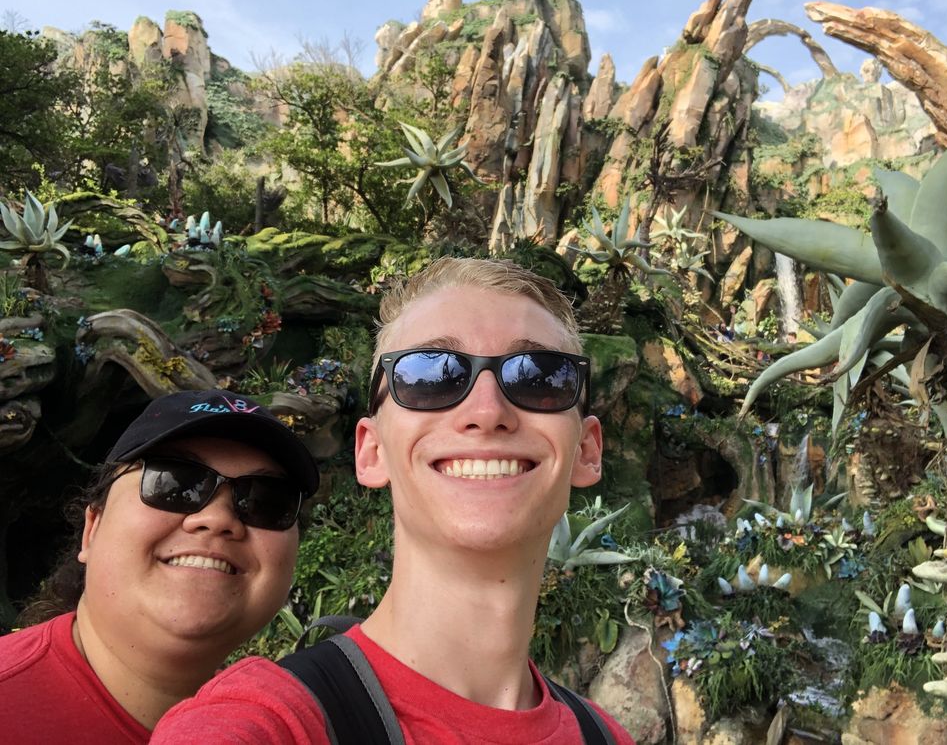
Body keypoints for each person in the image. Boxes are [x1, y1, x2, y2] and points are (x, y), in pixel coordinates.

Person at [151, 257, 633, 743]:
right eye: (432, 376)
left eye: (538, 378)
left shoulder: (607, 736)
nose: (487, 411)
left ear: (587, 452)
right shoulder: (270, 720)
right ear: (372, 452)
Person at [0, 389, 319, 743]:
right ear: (92, 529)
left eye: (266, 500)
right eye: (173, 481)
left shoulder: (281, 729)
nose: (217, 519)